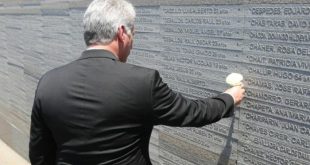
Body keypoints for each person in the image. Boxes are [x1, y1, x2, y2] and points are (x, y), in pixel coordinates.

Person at [29, 0, 245, 164]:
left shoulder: (48, 82)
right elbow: (193, 113)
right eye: (134, 33)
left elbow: (39, 154)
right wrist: (229, 98)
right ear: (122, 33)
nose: (132, 41)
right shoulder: (142, 82)